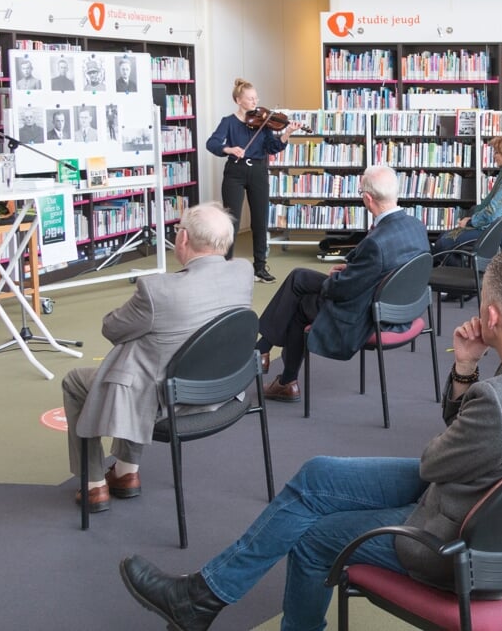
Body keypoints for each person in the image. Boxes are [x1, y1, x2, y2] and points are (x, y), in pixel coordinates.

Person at [119, 249, 502, 631]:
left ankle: (205, 599)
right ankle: (204, 595)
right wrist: (466, 369)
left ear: (490, 315)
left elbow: (434, 462)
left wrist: (466, 368)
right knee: (317, 475)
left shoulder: (500, 403)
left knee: (315, 537)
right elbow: (476, 445)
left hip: (460, 543)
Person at [60, 203, 254, 512]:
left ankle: (94, 483)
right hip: (223, 389)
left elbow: (112, 328)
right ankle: (125, 472)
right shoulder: (244, 272)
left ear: (183, 239)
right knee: (144, 356)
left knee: (77, 381)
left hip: (169, 400)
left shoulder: (157, 290)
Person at [256, 165, 430, 402]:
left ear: (368, 199)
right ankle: (268, 355)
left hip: (367, 314)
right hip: (400, 305)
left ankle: (281, 374)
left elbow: (341, 290)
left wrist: (335, 279)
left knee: (300, 303)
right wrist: (354, 269)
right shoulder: (416, 225)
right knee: (298, 278)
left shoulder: (376, 243)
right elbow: (391, 264)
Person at [206, 78, 299, 283]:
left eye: (256, 98)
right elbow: (211, 143)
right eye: (250, 99)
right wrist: (229, 149)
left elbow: (272, 147)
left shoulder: (263, 122)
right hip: (235, 172)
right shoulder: (228, 122)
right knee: (232, 221)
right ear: (238, 100)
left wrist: (287, 134)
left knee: (260, 220)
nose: (255, 102)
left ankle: (260, 267)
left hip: (258, 170)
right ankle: (226, 265)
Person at [432, 134, 502, 254]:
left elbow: (493, 212)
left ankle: (448, 269)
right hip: (499, 228)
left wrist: (470, 222)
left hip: (500, 232)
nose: (494, 156)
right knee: (444, 237)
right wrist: (472, 218)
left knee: (443, 243)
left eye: (497, 153)